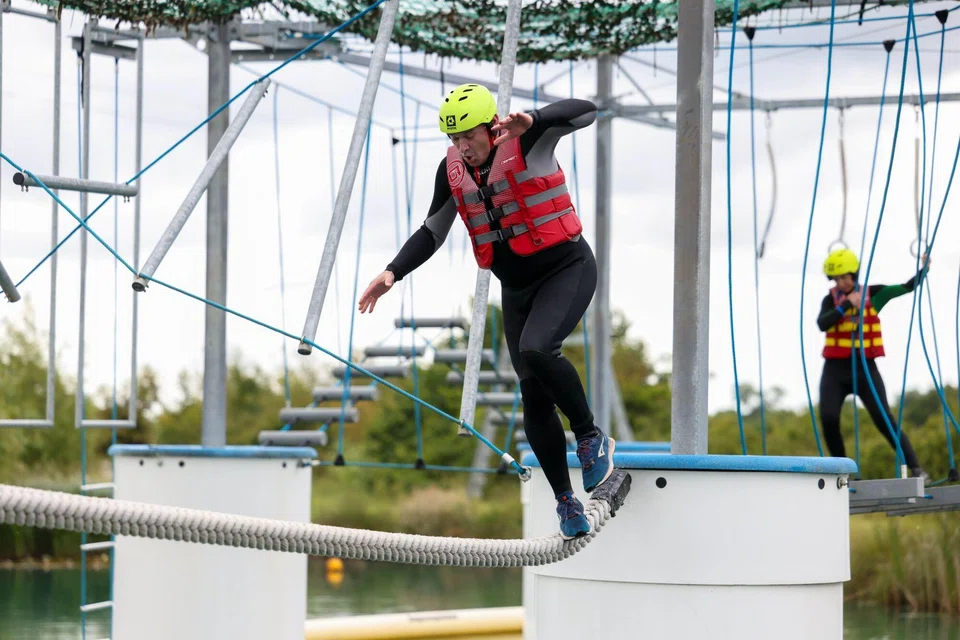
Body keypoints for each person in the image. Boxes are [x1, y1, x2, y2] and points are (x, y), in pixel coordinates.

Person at [357, 83, 615, 539]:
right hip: (517, 289)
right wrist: (392, 273)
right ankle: (565, 500)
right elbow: (432, 232)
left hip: (567, 268)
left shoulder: (529, 139)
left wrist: (534, 119)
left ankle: (590, 436)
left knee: (537, 348)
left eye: (469, 137)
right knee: (532, 394)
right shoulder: (452, 170)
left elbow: (586, 111)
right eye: (454, 139)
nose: (462, 147)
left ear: (489, 128)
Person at [817, 247, 930, 484]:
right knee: (828, 418)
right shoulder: (831, 299)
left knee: (883, 418)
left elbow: (906, 287)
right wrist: (846, 305)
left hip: (865, 369)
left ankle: (916, 468)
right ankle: (842, 473)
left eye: (845, 277)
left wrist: (924, 268)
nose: (841, 282)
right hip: (835, 370)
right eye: (837, 279)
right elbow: (823, 323)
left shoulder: (874, 294)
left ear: (854, 275)